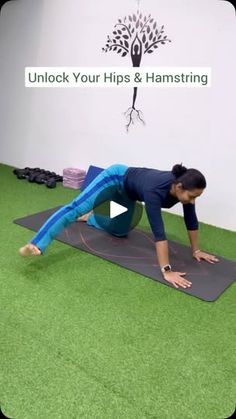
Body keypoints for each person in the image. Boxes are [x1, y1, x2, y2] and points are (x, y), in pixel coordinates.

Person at [19, 163, 219, 289]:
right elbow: (159, 233)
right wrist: (167, 270)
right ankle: (38, 243)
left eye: (197, 197)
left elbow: (191, 220)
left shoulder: (185, 192)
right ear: (179, 187)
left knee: (120, 230)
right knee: (75, 208)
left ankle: (92, 217)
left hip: (128, 194)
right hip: (114, 179)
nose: (193, 200)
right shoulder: (154, 191)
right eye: (192, 196)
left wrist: (196, 250)